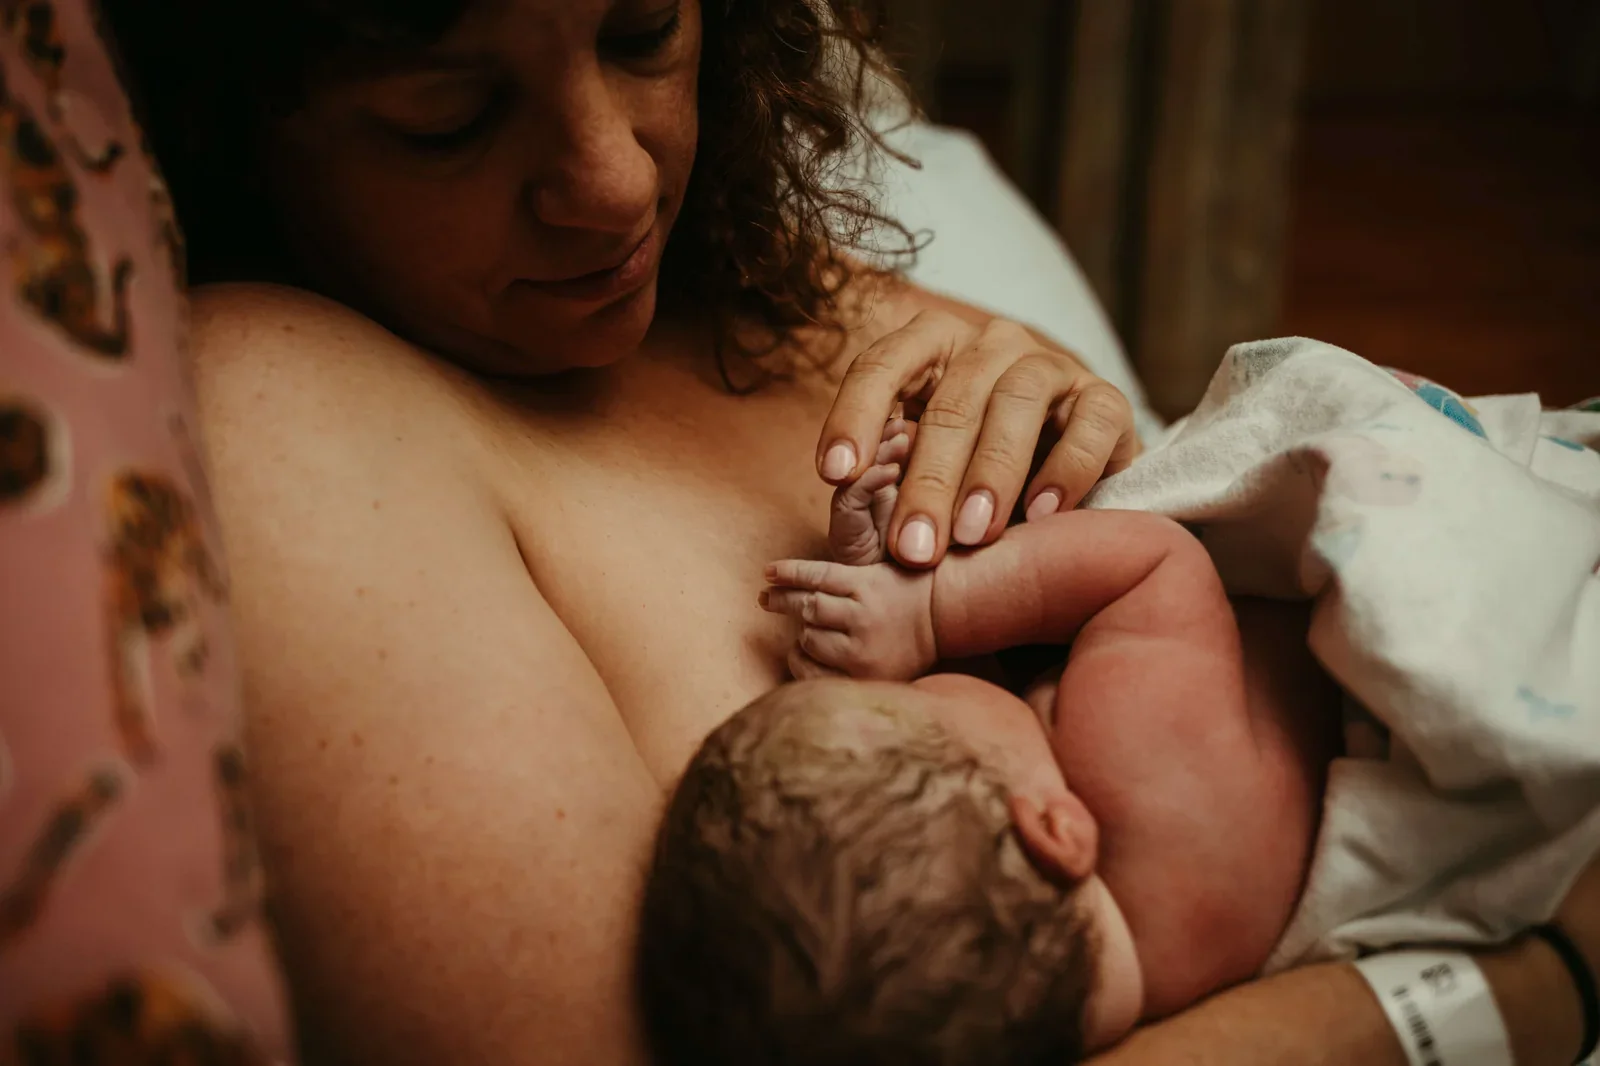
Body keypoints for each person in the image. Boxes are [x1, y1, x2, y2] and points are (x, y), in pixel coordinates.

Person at [93, 1, 1599, 1065]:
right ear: (249, 132)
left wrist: (1081, 414)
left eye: (641, 32)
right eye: (449, 116)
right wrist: (1534, 984)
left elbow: (1190, 582)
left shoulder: (741, 270)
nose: (614, 180)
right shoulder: (295, 416)